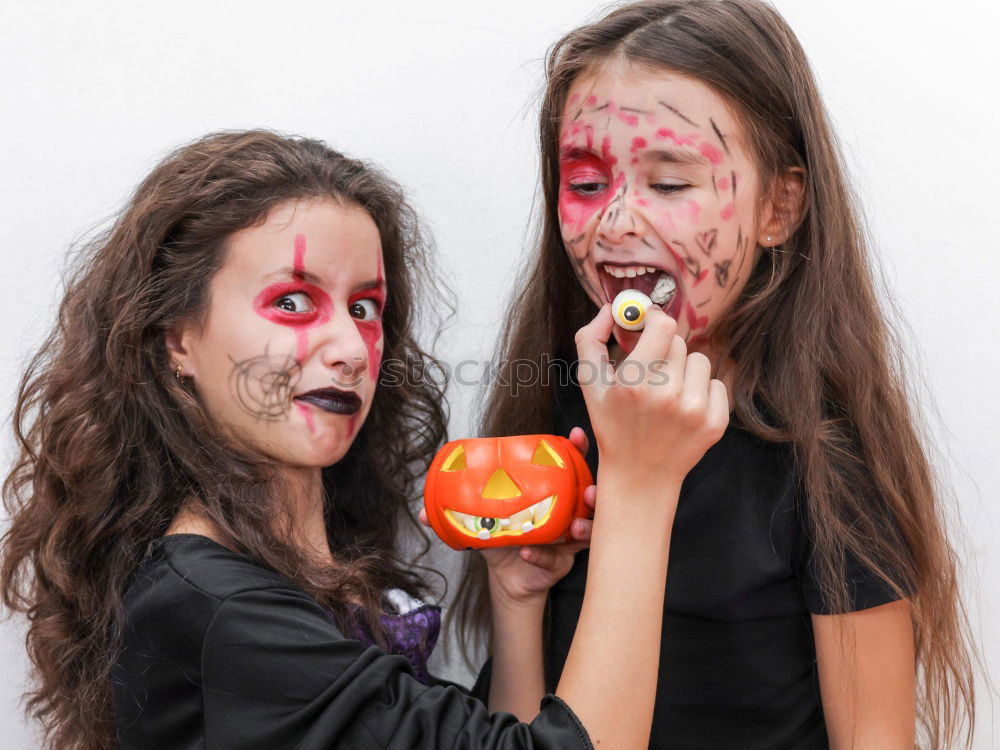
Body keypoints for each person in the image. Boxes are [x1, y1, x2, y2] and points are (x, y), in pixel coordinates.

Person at [1, 129, 729, 749]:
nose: (350, 346)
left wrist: (515, 602)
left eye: (365, 306)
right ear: (177, 338)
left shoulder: (305, 568)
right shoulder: (224, 611)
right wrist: (641, 485)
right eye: (292, 301)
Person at [453, 1, 977, 747]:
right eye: (589, 184)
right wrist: (514, 606)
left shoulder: (825, 464)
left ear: (779, 205)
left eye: (669, 185)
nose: (617, 222)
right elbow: (518, 731)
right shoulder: (562, 412)